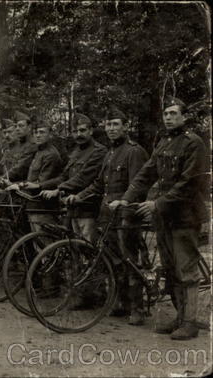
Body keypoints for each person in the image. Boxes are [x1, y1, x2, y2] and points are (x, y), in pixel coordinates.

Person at [112, 97, 208, 339]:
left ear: (184, 117)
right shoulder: (164, 142)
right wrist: (127, 197)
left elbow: (188, 183)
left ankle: (191, 322)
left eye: (174, 113)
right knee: (170, 268)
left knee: (187, 271)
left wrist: (157, 203)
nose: (168, 117)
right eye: (166, 113)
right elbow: (147, 172)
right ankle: (180, 317)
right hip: (164, 217)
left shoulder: (193, 143)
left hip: (185, 216)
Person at [67, 107, 149, 325]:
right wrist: (79, 196)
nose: (111, 129)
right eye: (108, 125)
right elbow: (98, 184)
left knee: (129, 260)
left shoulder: (134, 151)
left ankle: (137, 308)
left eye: (116, 124)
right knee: (111, 260)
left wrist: (124, 206)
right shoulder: (110, 153)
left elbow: (138, 186)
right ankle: (119, 302)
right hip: (106, 214)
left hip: (126, 215)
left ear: (126, 126)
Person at [39, 113, 107, 242]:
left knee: (89, 246)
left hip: (89, 207)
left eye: (82, 130)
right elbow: (65, 175)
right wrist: (49, 187)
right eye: (75, 131)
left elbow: (84, 177)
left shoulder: (99, 151)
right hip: (73, 207)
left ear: (91, 131)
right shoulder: (76, 151)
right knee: (76, 246)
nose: (78, 135)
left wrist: (58, 190)